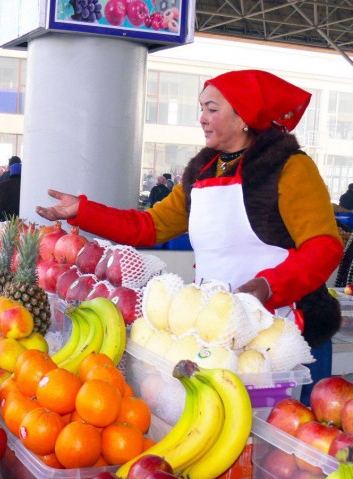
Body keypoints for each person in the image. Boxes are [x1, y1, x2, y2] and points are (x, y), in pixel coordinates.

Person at [37, 70, 342, 405]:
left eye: (212, 109)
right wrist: (82, 211)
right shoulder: (203, 174)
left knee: (284, 441)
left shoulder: (291, 168)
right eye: (201, 109)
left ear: (244, 116)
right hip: (222, 334)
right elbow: (148, 226)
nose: (202, 119)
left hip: (283, 333)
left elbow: (324, 247)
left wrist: (267, 286)